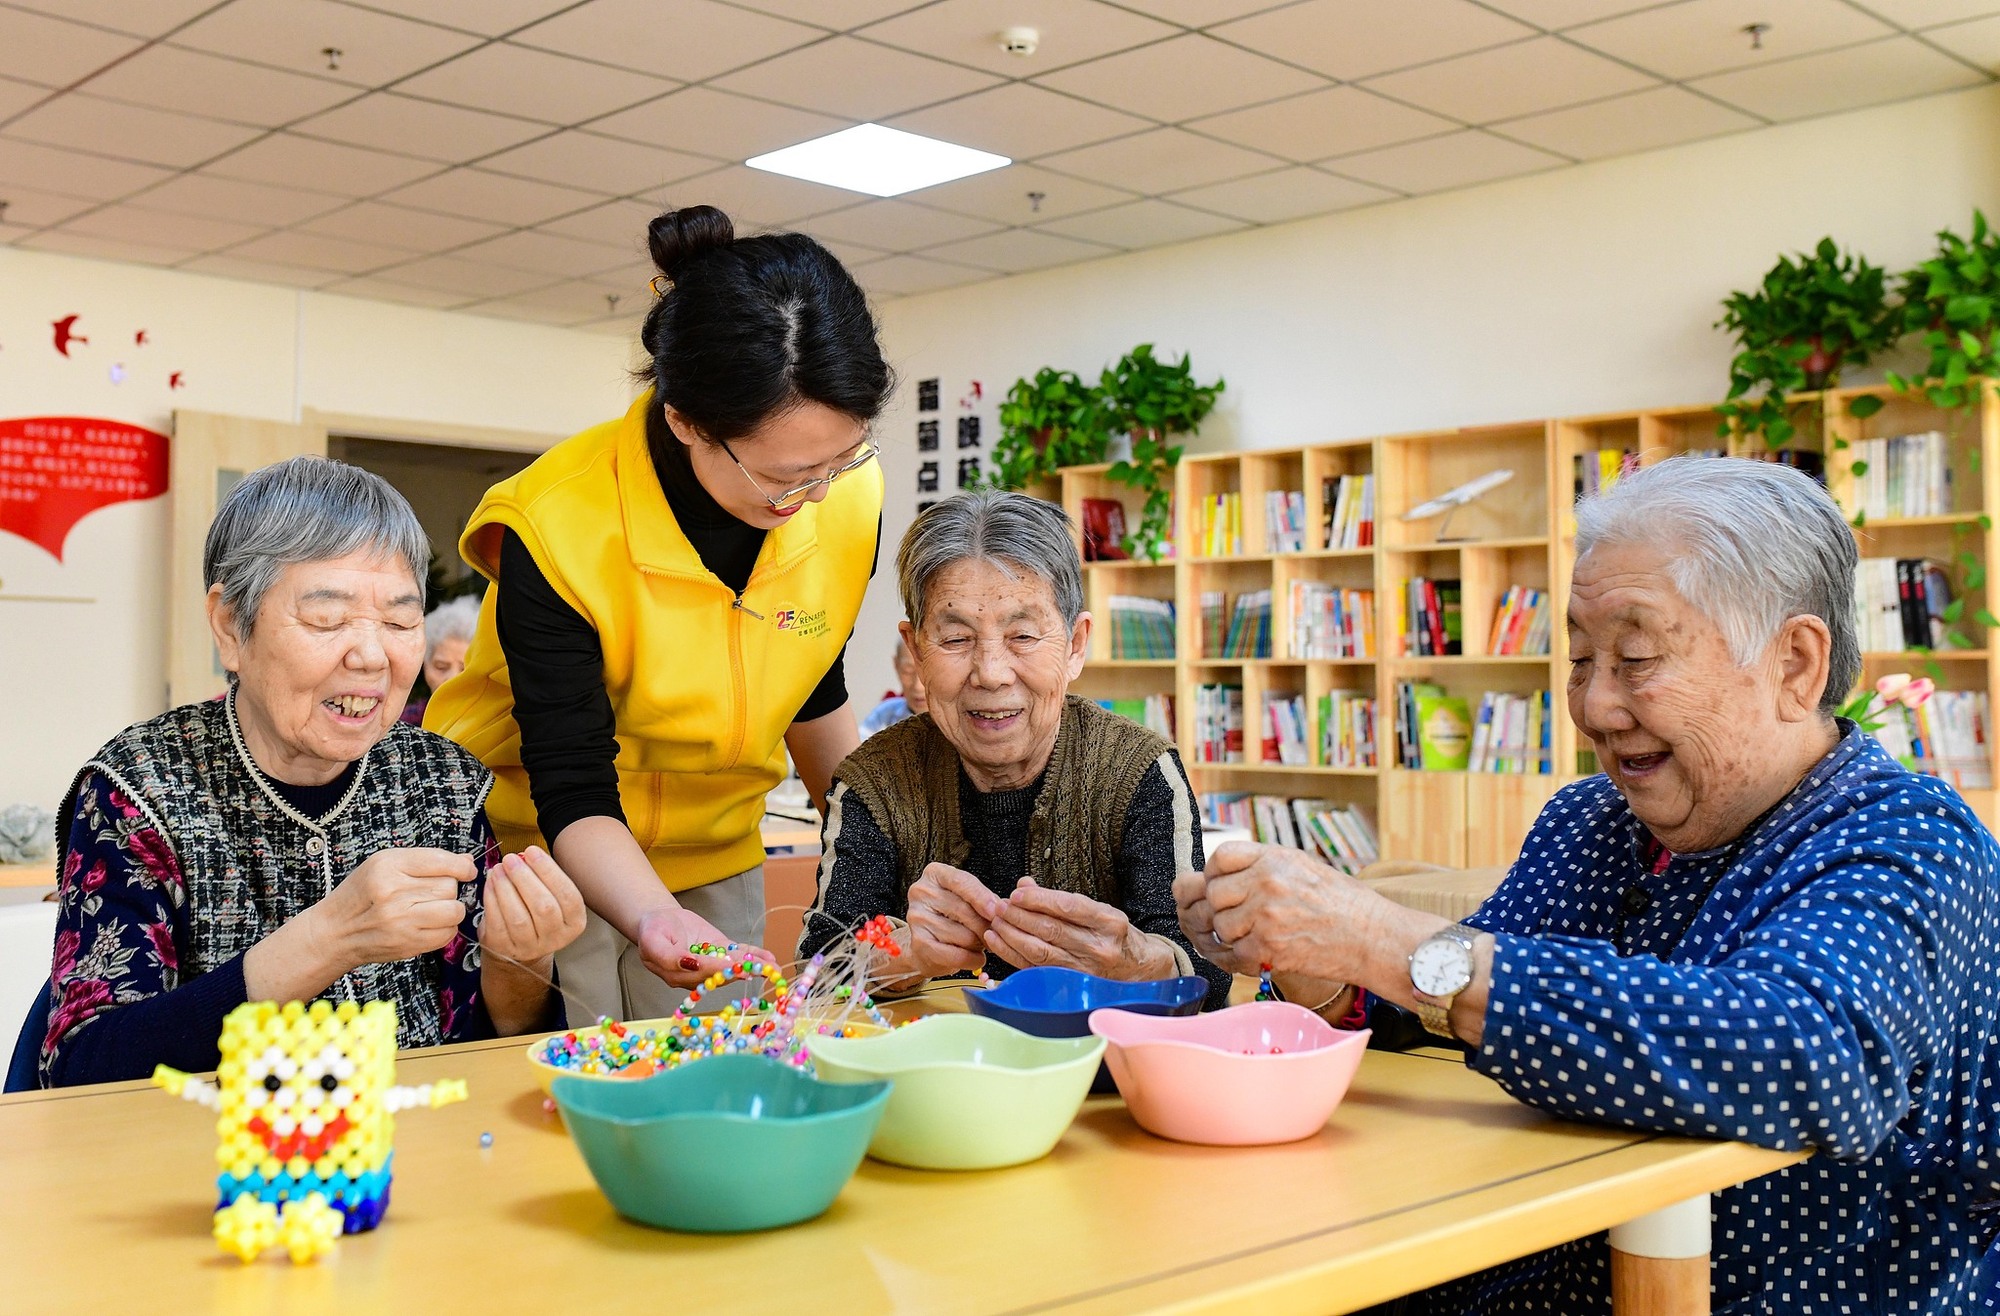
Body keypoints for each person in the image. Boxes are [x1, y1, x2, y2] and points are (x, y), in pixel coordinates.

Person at [1175, 457, 2000, 1312]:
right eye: (1579, 657)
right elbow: (1426, 1005)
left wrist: (1385, 941)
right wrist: (1324, 970)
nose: (1595, 705)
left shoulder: (1903, 839)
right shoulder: (1591, 822)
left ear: (1795, 664)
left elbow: (1804, 1053)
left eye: (1637, 657)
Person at [426, 204, 889, 1021]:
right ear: (684, 421)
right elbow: (569, 782)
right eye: (785, 474)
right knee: (574, 1097)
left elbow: (814, 682)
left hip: (719, 855)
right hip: (542, 860)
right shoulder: (559, 523)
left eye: (840, 458)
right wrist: (650, 914)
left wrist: (877, 853)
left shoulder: (845, 495)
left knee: (728, 1089)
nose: (815, 495)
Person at [40, 457, 586, 1088]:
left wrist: (522, 961)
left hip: (417, 1156)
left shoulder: (445, 784)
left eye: (401, 621)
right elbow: (82, 1072)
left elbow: (491, 1053)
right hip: (214, 1167)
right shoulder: (141, 789)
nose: (372, 655)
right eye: (327, 618)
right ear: (229, 626)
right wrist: (330, 938)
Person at [801, 491, 1231, 1009]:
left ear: (1075, 645)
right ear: (915, 651)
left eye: (1023, 635)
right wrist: (909, 952)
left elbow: (1208, 974)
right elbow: (814, 975)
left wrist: (1134, 960)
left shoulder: (1138, 770)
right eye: (957, 639)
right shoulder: (876, 781)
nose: (991, 673)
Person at [400, 593, 479, 725]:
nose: (452, 678)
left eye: (464, 669)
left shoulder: (501, 725)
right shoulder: (403, 727)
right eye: (441, 667)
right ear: (425, 664)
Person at [857, 636, 926, 738]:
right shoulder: (884, 716)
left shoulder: (956, 722)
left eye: (926, 672)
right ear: (896, 665)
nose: (918, 687)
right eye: (907, 671)